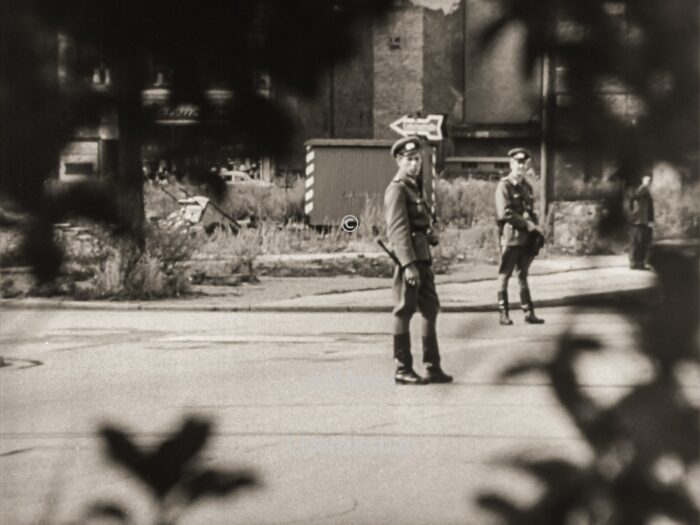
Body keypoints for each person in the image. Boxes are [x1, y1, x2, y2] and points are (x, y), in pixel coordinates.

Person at [384, 136, 452, 385]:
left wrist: (430, 232)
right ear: (399, 161)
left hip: (423, 258)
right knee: (404, 310)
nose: (414, 164)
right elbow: (398, 230)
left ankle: (433, 366)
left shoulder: (414, 187)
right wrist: (407, 265)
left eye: (417, 159)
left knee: (430, 309)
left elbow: (419, 223)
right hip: (410, 260)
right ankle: (402, 368)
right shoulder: (397, 189)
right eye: (409, 160)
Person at [495, 148, 545, 325]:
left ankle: (528, 312)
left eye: (523, 163)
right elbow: (504, 213)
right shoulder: (504, 186)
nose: (521, 166)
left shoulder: (527, 187)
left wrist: (536, 226)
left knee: (523, 275)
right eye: (517, 163)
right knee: (505, 275)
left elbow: (529, 211)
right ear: (511, 164)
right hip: (511, 238)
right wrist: (526, 224)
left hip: (525, 239)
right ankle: (503, 313)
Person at [629, 172, 655, 270]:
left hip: (643, 221)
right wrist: (644, 186)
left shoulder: (646, 192)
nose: (648, 183)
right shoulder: (641, 190)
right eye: (646, 180)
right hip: (638, 221)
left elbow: (650, 208)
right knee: (637, 243)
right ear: (643, 181)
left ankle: (639, 263)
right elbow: (635, 196)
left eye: (649, 181)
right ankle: (635, 263)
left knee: (642, 243)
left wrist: (651, 220)